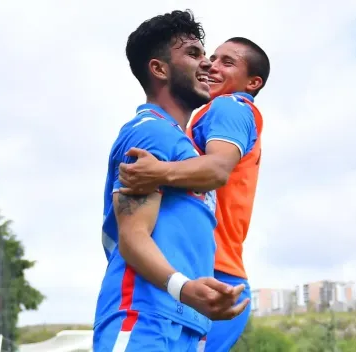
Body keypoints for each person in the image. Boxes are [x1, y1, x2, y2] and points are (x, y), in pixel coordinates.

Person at [93, 11, 250, 352]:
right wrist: (183, 288)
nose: (207, 63)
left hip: (189, 326)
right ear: (159, 69)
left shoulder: (190, 151)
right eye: (194, 54)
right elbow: (133, 237)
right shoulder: (150, 132)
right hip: (144, 319)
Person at [117, 37, 271, 351]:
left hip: (214, 277)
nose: (212, 66)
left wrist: (157, 172)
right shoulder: (206, 119)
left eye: (227, 63)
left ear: (252, 82)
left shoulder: (229, 106)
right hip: (212, 275)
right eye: (212, 58)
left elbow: (217, 170)